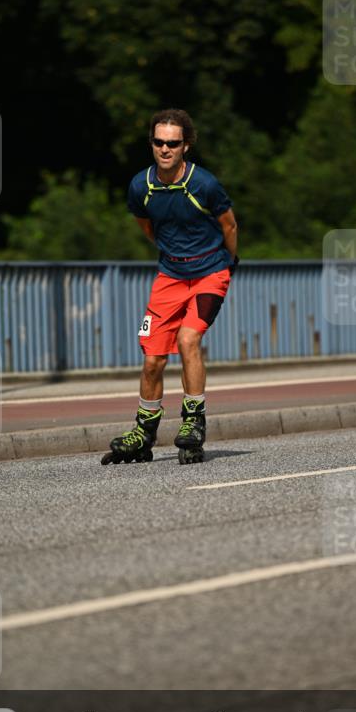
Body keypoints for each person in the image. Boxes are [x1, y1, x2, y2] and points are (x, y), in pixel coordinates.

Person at [102, 108, 238, 465]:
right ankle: (143, 433)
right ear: (151, 144)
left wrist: (229, 263)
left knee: (188, 339)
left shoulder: (203, 183)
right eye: (159, 142)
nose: (165, 149)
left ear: (185, 146)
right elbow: (148, 227)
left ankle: (193, 424)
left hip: (210, 273)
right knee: (151, 360)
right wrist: (174, 254)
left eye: (173, 143)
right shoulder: (140, 186)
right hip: (170, 277)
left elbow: (230, 225)